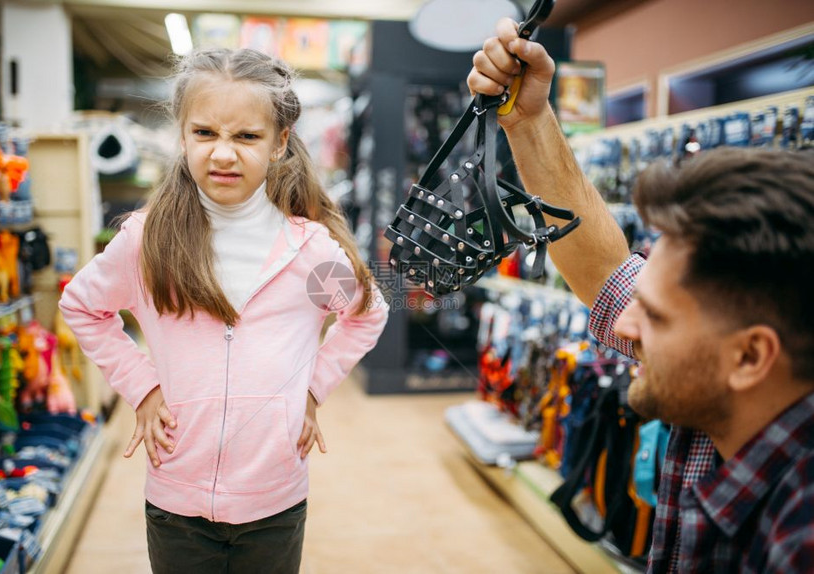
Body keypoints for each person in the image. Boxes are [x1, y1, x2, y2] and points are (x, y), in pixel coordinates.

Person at [468, 18, 814, 573]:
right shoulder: (719, 382)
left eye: (653, 316)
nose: (623, 328)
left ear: (750, 356)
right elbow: (606, 271)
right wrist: (528, 119)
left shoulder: (798, 534)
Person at [59, 48, 388, 573]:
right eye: (205, 133)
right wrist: (141, 386)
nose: (223, 154)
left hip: (276, 501)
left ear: (280, 142)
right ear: (182, 135)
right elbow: (81, 305)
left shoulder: (310, 251)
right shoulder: (148, 241)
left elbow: (367, 312)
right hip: (176, 503)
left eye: (247, 136)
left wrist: (311, 387)